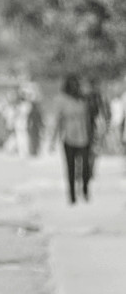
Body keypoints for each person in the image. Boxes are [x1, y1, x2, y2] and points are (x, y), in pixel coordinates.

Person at [51, 75, 91, 204]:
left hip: (84, 137)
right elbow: (58, 120)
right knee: (71, 168)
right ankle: (72, 195)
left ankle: (85, 188)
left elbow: (88, 119)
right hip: (69, 138)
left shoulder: (83, 99)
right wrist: (53, 139)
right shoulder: (61, 100)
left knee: (86, 167)